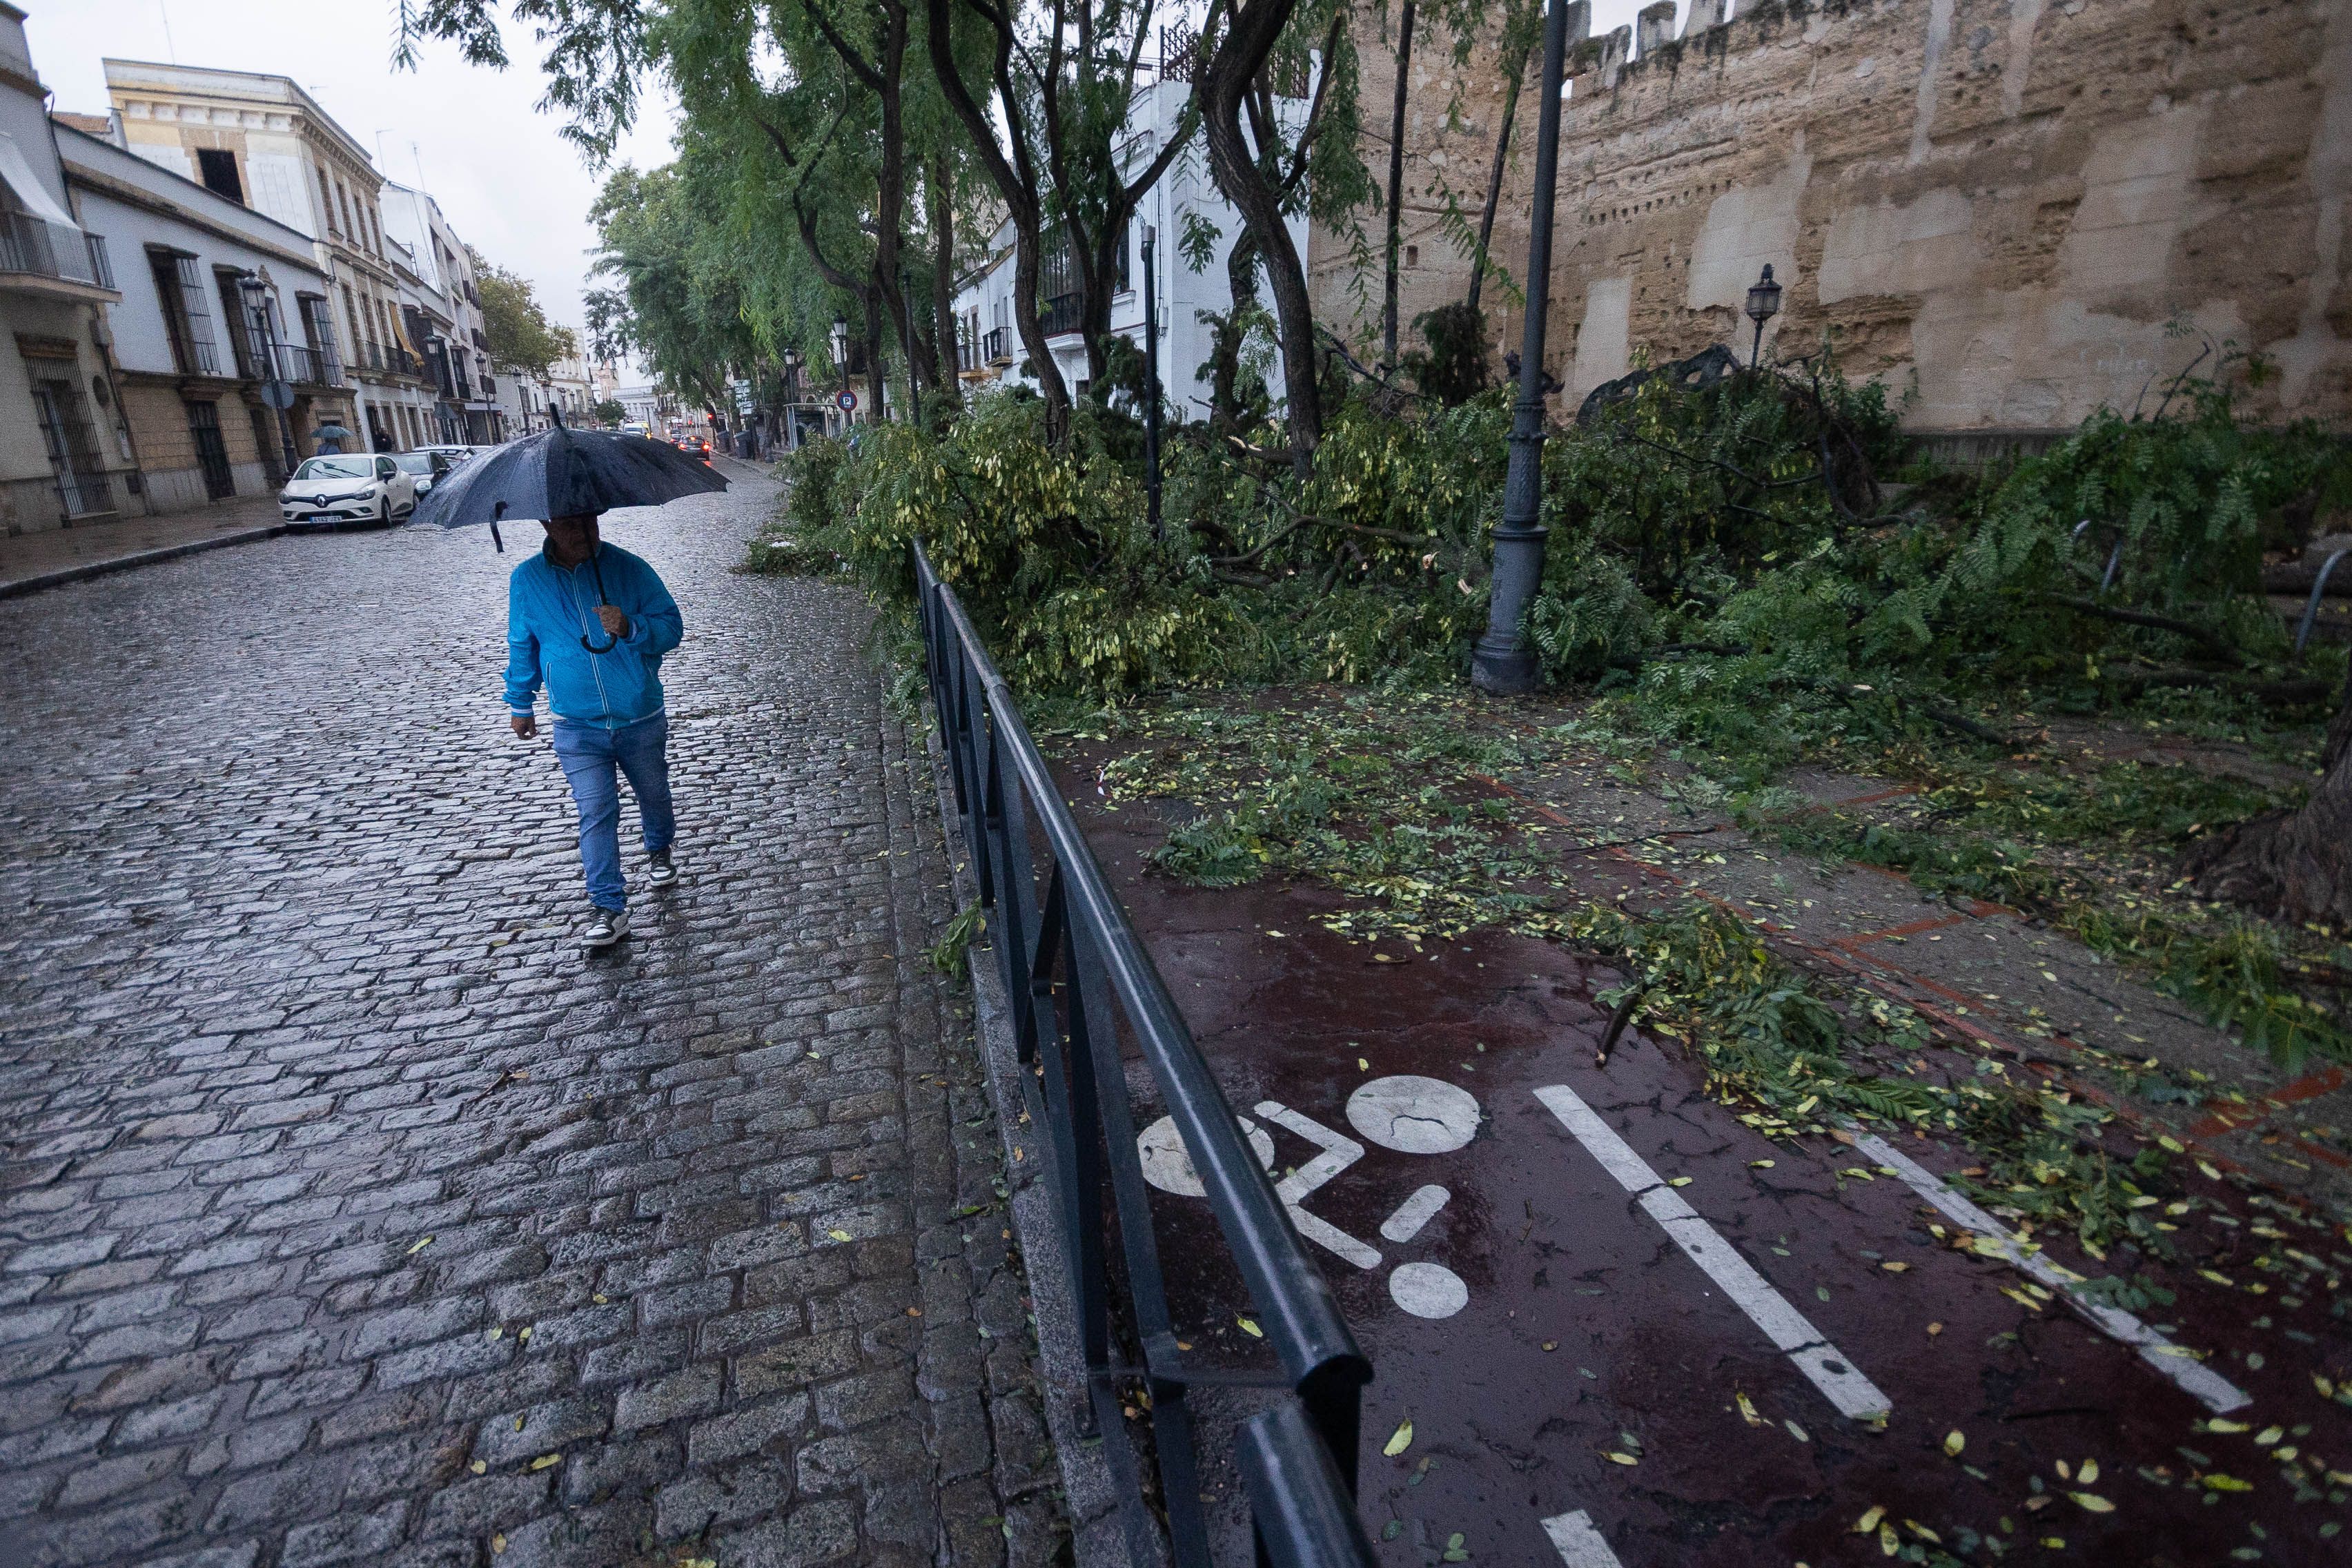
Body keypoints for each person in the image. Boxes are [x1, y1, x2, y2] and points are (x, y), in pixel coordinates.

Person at [504, 513, 685, 949]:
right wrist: (520, 700)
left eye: (590, 524)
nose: (584, 534)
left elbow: (671, 628)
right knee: (596, 810)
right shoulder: (527, 580)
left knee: (654, 794)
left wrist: (630, 627)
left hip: (638, 716)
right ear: (547, 525)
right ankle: (609, 906)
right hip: (576, 725)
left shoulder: (629, 568)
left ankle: (659, 850)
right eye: (572, 526)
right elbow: (522, 641)